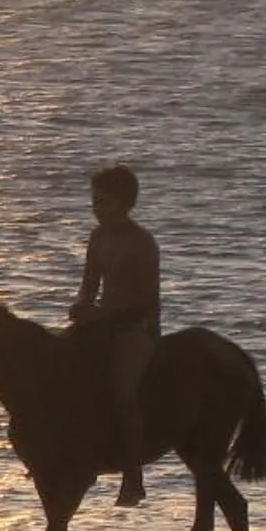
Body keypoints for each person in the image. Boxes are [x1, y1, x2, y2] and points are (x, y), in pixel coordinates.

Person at [68, 164, 161, 507]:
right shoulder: (98, 238)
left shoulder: (142, 243)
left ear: (124, 204)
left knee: (123, 393)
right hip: (101, 324)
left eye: (103, 202)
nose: (97, 209)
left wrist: (104, 313)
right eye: (95, 202)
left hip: (135, 328)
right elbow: (89, 285)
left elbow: (146, 299)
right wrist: (81, 305)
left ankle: (134, 475)